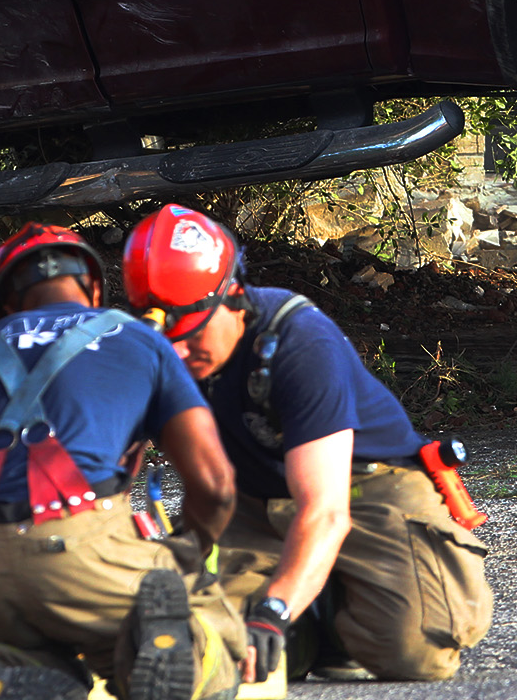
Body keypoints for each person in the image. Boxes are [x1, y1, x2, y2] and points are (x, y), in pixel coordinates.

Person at [121, 204, 492, 684]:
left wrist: (274, 608)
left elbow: (324, 510)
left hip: (368, 488)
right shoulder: (154, 352)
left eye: (191, 336)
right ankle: (308, 628)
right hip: (254, 503)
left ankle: (333, 599)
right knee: (221, 648)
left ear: (232, 296)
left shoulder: (298, 341)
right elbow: (107, 468)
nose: (177, 354)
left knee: (415, 651)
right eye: (164, 339)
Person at [0, 223, 246, 700]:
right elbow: (216, 485)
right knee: (206, 630)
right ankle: (165, 656)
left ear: (7, 303)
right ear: (94, 287)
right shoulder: (139, 340)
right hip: (78, 547)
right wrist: (184, 554)